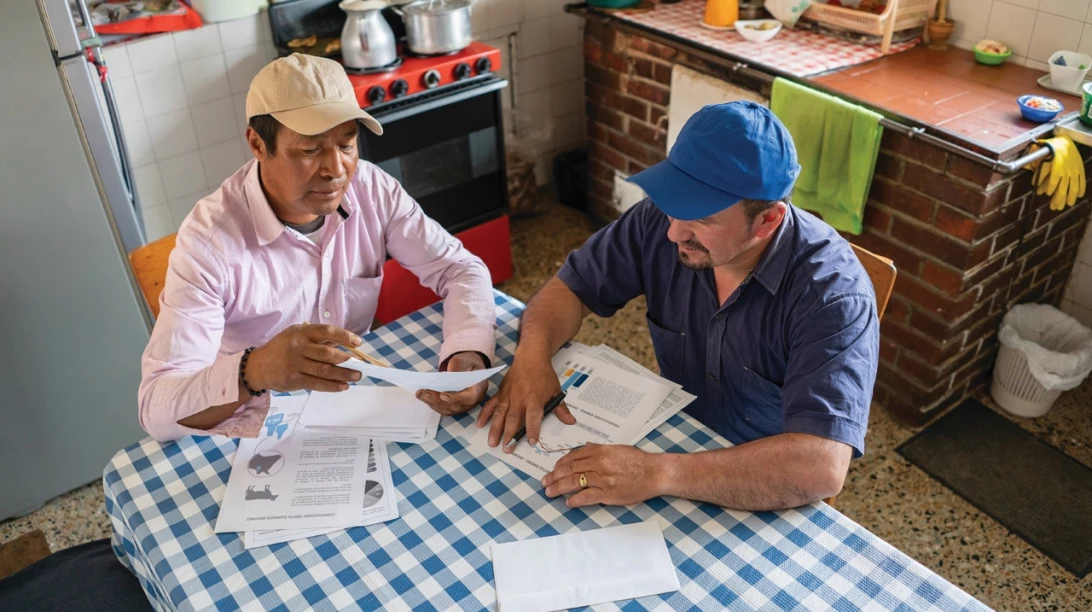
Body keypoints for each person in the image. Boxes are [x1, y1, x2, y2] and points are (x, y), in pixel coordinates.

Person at [478, 102, 879, 511]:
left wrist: (659, 473)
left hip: (759, 479)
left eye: (702, 219)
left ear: (767, 221)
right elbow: (570, 288)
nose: (673, 232)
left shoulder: (832, 296)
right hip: (673, 438)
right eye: (674, 203)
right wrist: (531, 356)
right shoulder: (660, 221)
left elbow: (819, 468)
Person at [138, 54, 496, 442]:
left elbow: (461, 269)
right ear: (258, 144)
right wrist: (254, 370)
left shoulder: (372, 190)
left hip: (353, 402)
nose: (336, 169)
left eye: (346, 145)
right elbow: (156, 409)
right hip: (256, 416)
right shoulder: (210, 243)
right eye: (310, 150)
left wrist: (468, 353)